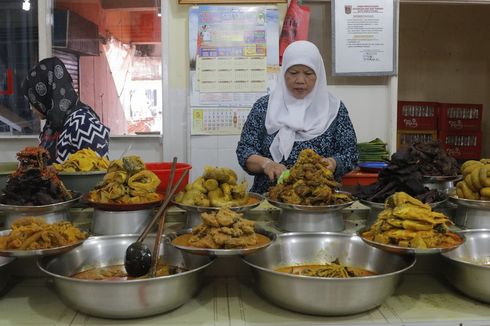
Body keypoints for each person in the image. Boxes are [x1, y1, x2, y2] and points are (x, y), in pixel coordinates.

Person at [236, 40, 358, 194]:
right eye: (293, 73)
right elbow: (244, 150)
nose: (300, 80)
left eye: (308, 73)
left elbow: (351, 154)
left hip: (319, 200)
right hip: (269, 200)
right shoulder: (264, 107)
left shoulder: (334, 110)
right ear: (283, 73)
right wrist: (266, 164)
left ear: (318, 74)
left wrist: (333, 163)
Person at [22, 57, 110, 164]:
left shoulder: (84, 124)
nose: (32, 108)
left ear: (45, 95)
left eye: (33, 100)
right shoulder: (54, 125)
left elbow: (99, 172)